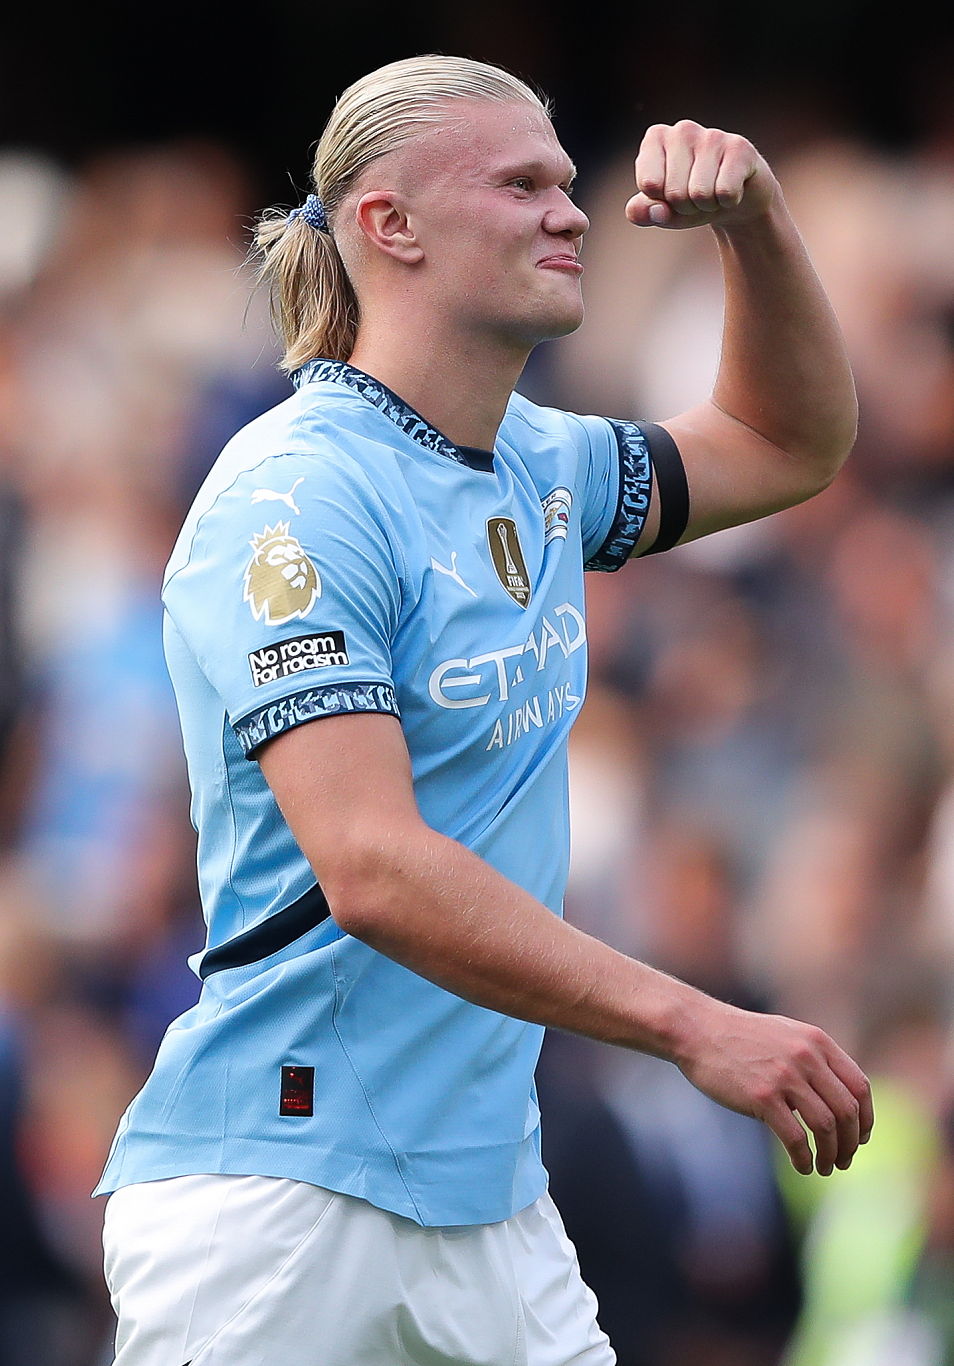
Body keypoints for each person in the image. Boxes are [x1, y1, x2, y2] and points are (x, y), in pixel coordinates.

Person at [94, 55, 868, 1366]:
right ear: (388, 225)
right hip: (285, 1193)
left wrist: (757, 225)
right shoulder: (293, 495)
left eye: (568, 184)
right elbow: (376, 868)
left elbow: (790, 440)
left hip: (492, 1209)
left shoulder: (542, 465)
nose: (571, 212)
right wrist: (692, 1021)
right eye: (522, 185)